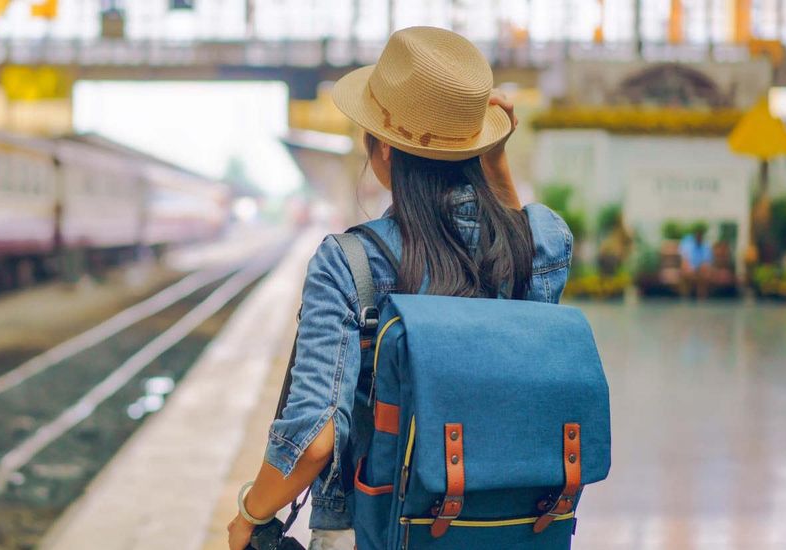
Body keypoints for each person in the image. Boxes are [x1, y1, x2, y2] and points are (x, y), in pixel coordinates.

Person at [227, 27, 572, 550]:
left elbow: (317, 441)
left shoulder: (349, 263)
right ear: (479, 145)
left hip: (371, 530)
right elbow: (514, 240)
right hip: (509, 528)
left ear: (384, 146)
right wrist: (495, 158)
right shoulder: (545, 245)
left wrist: (250, 511)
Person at [679, 226, 713, 298]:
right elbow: (684, 260)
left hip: (701, 270)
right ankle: (685, 296)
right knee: (686, 272)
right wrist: (690, 268)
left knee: (704, 273)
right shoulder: (688, 245)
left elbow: (707, 262)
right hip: (690, 269)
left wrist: (701, 269)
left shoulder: (706, 247)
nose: (698, 238)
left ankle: (701, 297)